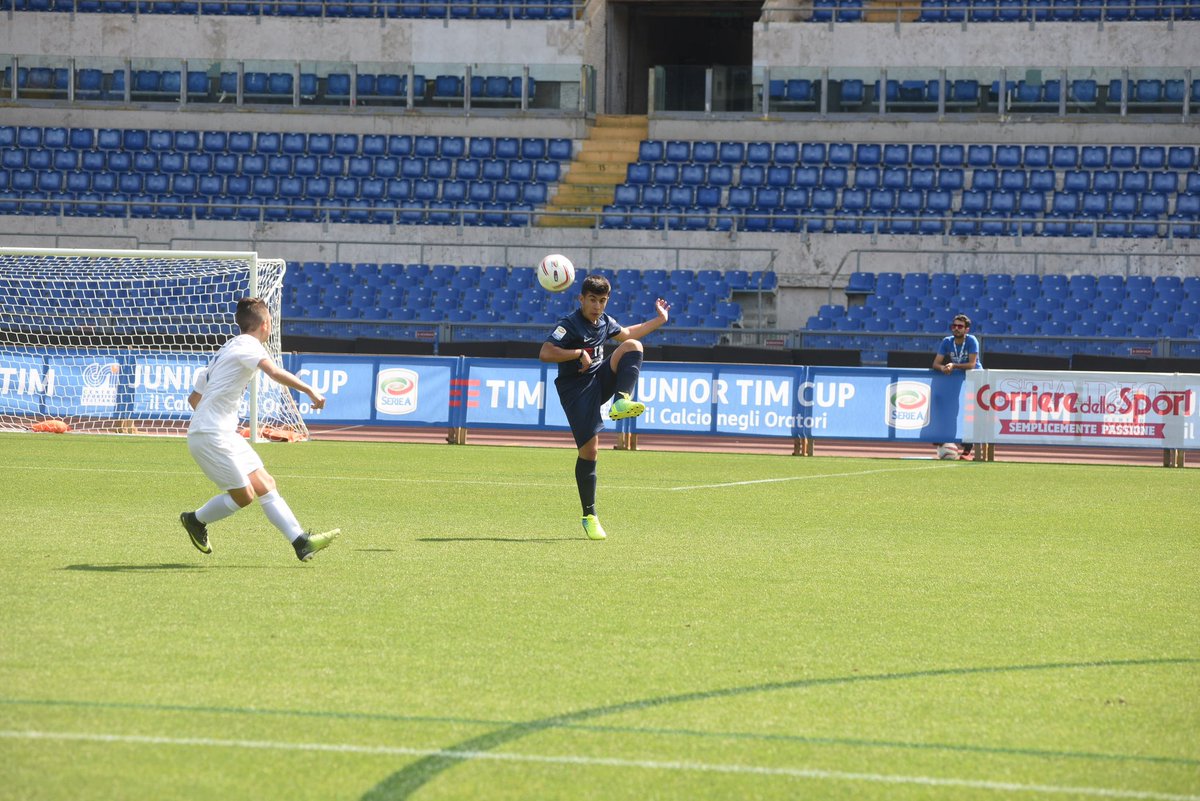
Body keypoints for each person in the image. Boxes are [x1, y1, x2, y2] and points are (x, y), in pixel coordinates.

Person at [179, 297, 340, 561]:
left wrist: (213, 417)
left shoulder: (227, 349)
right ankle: (195, 520)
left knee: (265, 483)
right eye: (272, 323)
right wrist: (310, 390)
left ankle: (302, 542)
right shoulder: (249, 346)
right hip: (211, 435)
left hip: (221, 432)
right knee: (244, 497)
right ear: (265, 324)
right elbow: (275, 373)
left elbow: (194, 399)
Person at [539, 274, 670, 540]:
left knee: (632, 345)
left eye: (602, 301)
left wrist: (659, 320)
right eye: (592, 300)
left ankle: (621, 399)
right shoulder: (569, 325)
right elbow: (545, 352)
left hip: (599, 378)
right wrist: (577, 353)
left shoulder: (604, 321)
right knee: (590, 452)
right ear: (581, 299)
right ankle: (589, 515)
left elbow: (629, 334)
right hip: (576, 391)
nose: (597, 306)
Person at [932, 312, 983, 460]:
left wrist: (953, 365)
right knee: (950, 408)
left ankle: (968, 448)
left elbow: (972, 365)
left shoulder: (972, 340)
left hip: (975, 379)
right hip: (956, 379)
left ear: (966, 329)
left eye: (960, 326)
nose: (956, 328)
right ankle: (945, 438)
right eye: (954, 326)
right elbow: (936, 363)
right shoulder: (947, 341)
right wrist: (943, 368)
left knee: (972, 413)